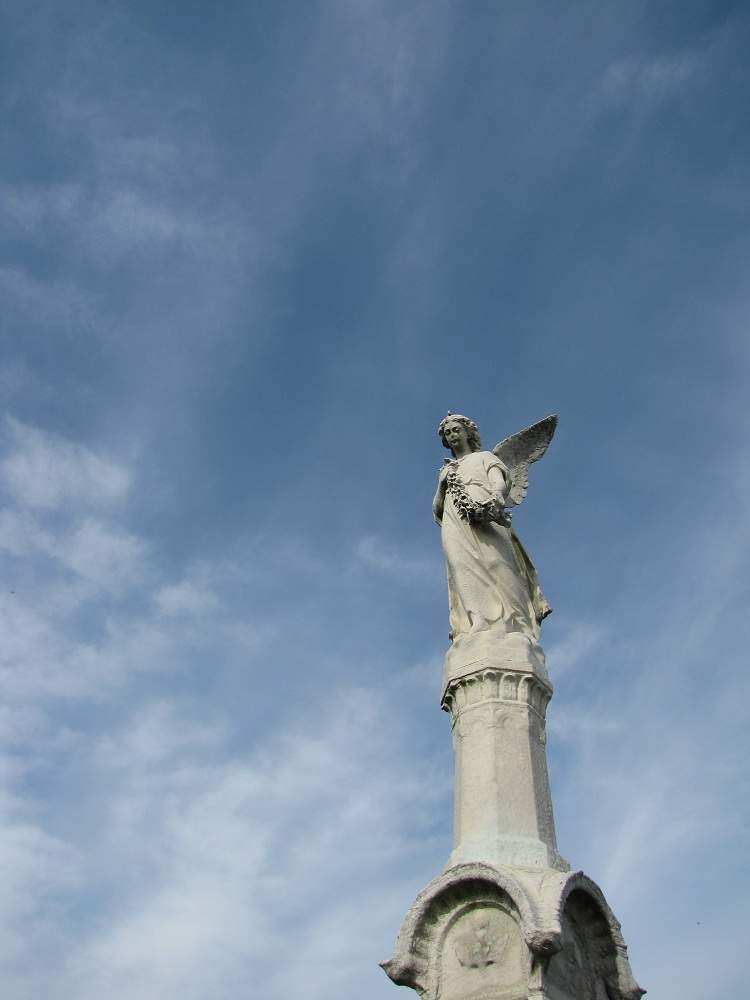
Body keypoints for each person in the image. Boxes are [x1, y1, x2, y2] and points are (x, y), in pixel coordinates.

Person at [432, 413, 551, 643]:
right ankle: (478, 621)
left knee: (498, 563)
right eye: (448, 433)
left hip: (487, 513)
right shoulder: (447, 471)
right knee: (462, 567)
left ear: (467, 432)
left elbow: (499, 482)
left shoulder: (484, 458)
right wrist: (442, 483)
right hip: (454, 520)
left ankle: (517, 624)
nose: (452, 435)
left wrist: (496, 496)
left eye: (456, 430)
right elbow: (437, 510)